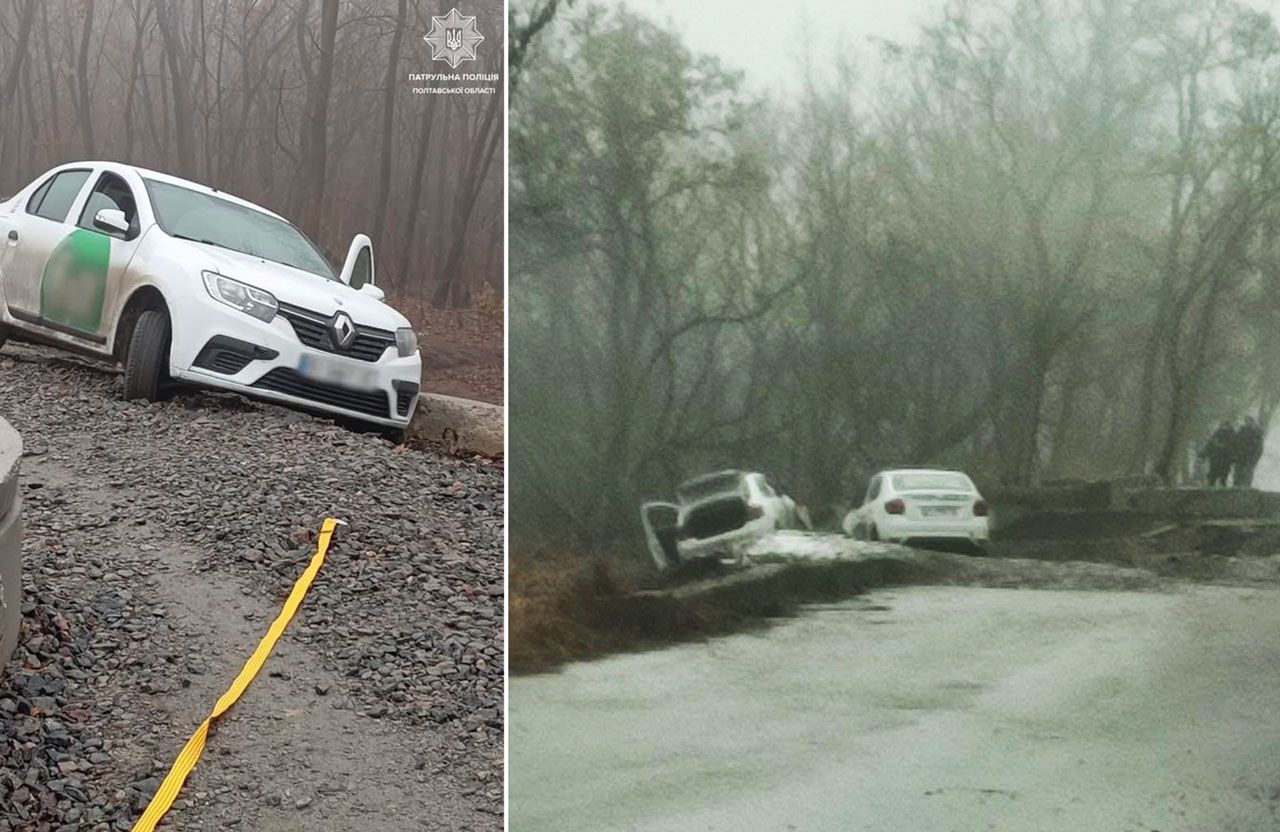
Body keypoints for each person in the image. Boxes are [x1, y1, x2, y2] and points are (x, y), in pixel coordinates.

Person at [1202, 419, 1237, 488]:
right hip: (1223, 458)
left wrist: (1204, 454)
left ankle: (1213, 485)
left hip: (1218, 457)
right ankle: (1218, 485)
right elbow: (1235, 447)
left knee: (1216, 474)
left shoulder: (1218, 433)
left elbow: (1210, 444)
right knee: (1222, 473)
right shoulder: (1232, 434)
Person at [1234, 416, 1265, 488]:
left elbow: (1259, 449)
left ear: (1252, 422)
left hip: (1249, 459)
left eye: (1249, 421)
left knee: (1247, 477)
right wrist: (1235, 455)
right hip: (1240, 458)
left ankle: (1245, 491)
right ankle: (1236, 491)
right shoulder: (1241, 432)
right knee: (1237, 477)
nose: (1247, 423)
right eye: (1246, 421)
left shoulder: (1256, 434)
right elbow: (1234, 444)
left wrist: (1254, 459)